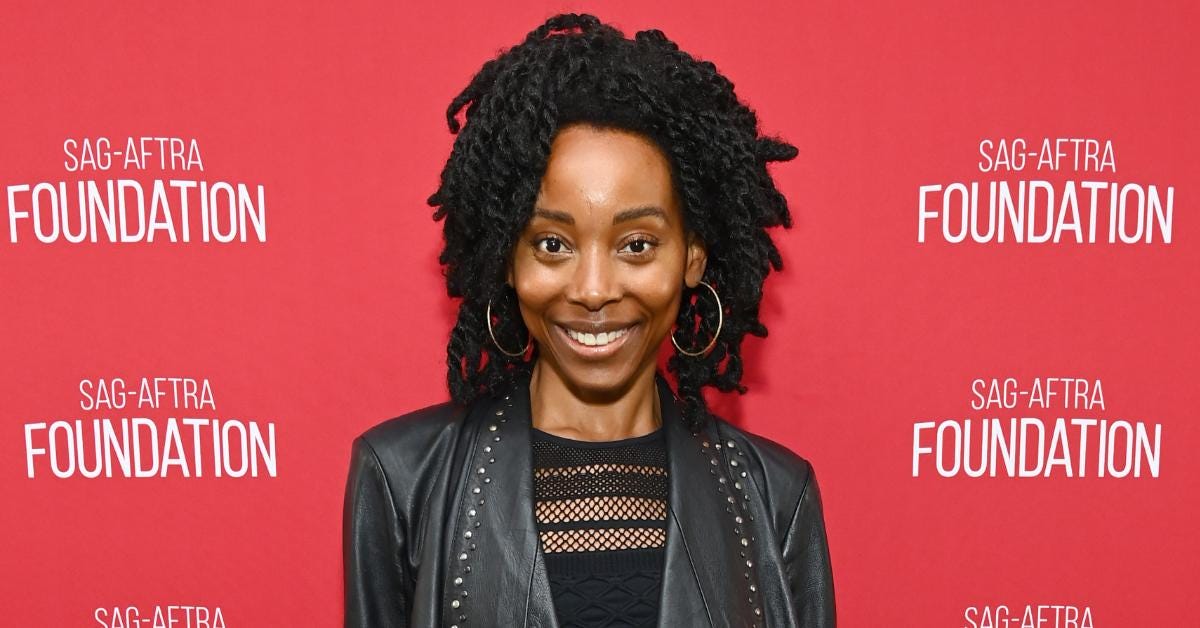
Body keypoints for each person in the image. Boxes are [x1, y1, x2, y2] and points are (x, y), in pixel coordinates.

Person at [344, 12, 835, 628]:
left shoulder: (775, 499)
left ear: (693, 256)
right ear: (507, 259)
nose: (594, 290)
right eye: (553, 244)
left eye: (637, 244)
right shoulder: (401, 479)